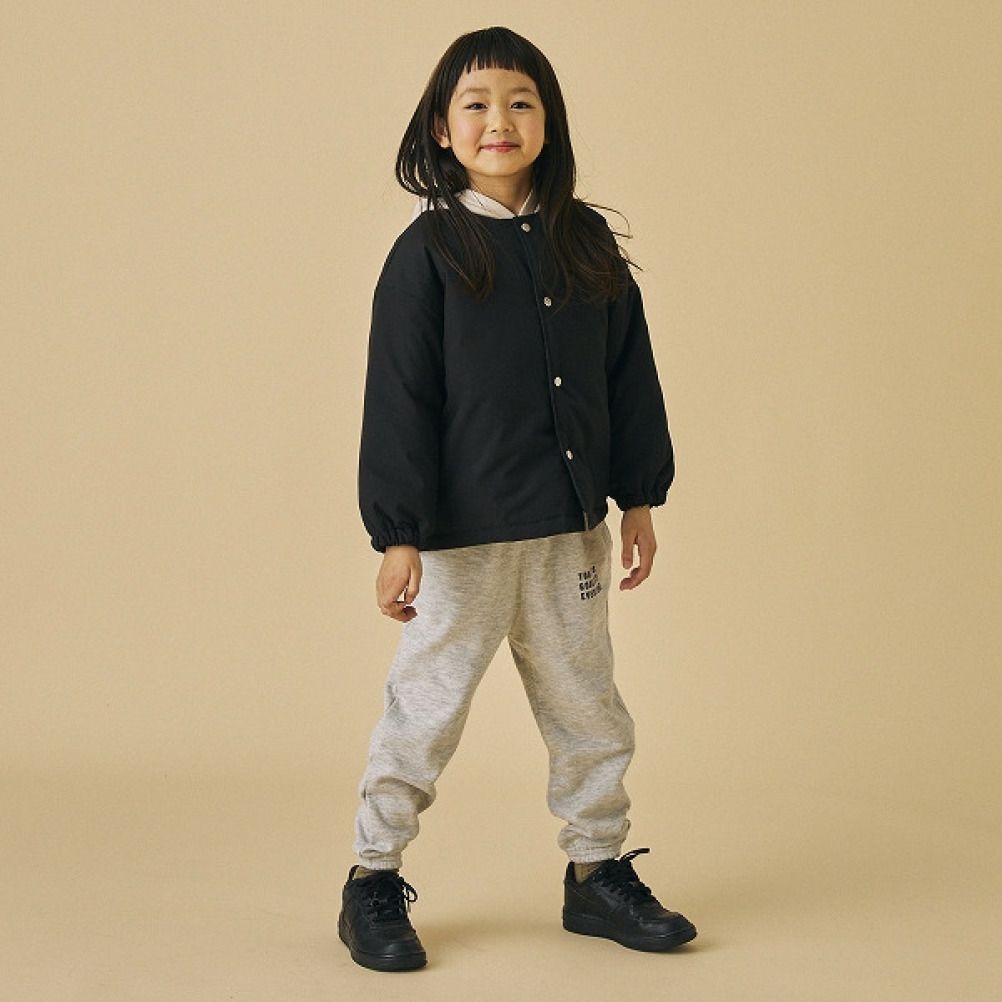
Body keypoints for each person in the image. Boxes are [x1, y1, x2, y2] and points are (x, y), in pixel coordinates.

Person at [338, 26, 698, 972]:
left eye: (520, 102)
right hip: (460, 540)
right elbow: (400, 398)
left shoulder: (587, 243)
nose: (499, 120)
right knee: (424, 711)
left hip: (570, 531)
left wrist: (639, 497)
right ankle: (373, 877)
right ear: (442, 128)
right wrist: (398, 534)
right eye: (476, 104)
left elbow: (628, 376)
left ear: (549, 122)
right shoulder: (427, 254)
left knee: (590, 708)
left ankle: (597, 871)